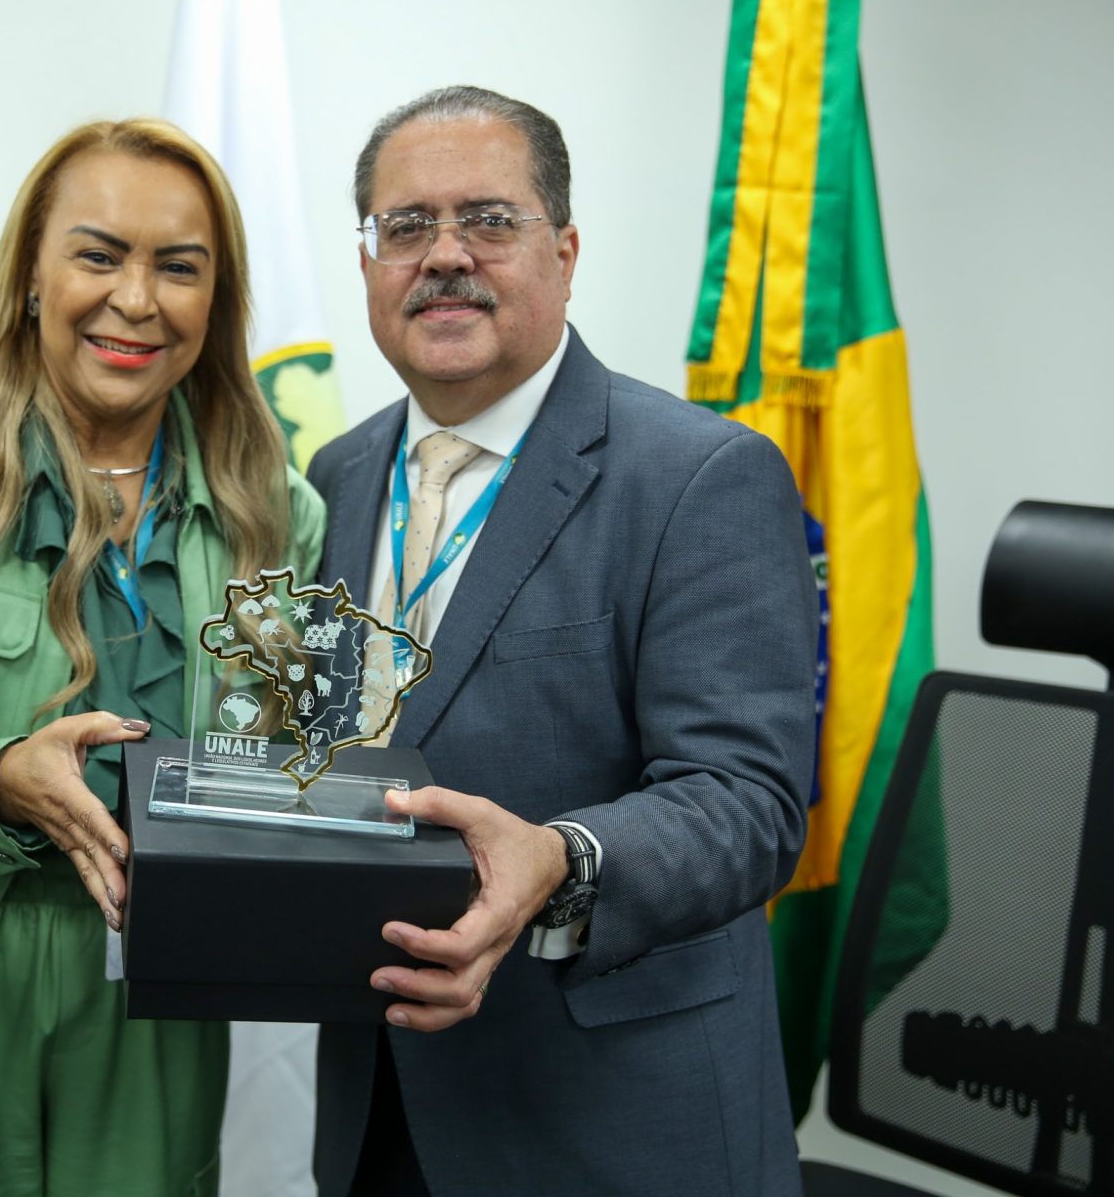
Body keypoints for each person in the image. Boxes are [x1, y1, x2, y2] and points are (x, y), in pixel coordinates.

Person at [0, 118, 324, 1197]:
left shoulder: (277, 514)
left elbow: (280, 778)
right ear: (31, 275)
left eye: (180, 267)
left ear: (215, 301)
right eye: (98, 255)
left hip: (156, 996)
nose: (137, 299)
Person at [304, 86, 817, 1196]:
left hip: (611, 1125)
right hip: (378, 1100)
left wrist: (562, 860)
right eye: (406, 226)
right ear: (369, 262)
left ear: (566, 253)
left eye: (489, 220)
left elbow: (749, 802)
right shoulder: (334, 476)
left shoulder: (700, 477)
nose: (445, 255)